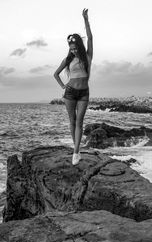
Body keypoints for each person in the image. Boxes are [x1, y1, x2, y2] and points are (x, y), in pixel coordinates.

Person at [54, 8, 93, 165]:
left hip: (84, 92)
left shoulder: (88, 55)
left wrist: (85, 20)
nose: (74, 50)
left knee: (80, 121)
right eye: (71, 49)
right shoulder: (68, 59)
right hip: (70, 92)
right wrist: (63, 85)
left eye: (76, 48)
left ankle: (76, 152)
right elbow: (55, 74)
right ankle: (76, 149)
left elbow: (90, 37)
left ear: (80, 46)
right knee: (72, 121)